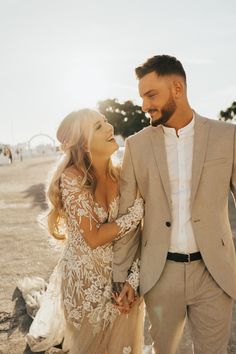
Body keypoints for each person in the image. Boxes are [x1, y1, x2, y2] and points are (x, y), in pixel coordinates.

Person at [112, 54, 236, 354]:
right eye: (142, 96)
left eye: (151, 94)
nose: (144, 105)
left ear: (177, 88)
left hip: (214, 274)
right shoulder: (136, 146)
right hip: (160, 273)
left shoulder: (228, 136)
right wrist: (122, 277)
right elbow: (128, 217)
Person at [25, 108, 144, 354]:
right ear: (84, 144)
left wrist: (133, 280)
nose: (109, 128)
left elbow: (141, 236)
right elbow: (93, 237)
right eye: (98, 127)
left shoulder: (123, 174)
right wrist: (135, 215)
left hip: (122, 280)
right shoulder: (72, 177)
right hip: (84, 284)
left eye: (105, 121)